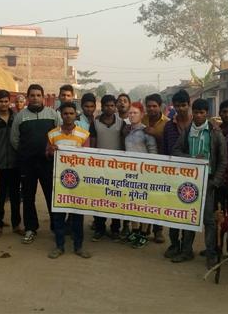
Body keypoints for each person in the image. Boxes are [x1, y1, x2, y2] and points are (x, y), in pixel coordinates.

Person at [171, 99, 227, 264]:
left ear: (207, 113)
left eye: (202, 112)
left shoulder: (215, 132)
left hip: (209, 181)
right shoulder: (188, 130)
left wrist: (215, 182)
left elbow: (223, 160)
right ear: (192, 112)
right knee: (189, 217)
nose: (198, 115)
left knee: (209, 220)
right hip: (190, 181)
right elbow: (176, 150)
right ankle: (187, 250)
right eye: (195, 112)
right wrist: (192, 158)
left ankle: (211, 254)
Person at [10, 84, 59, 244]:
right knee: (29, 197)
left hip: (48, 163)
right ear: (28, 97)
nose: (35, 98)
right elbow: (14, 139)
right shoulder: (20, 116)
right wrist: (26, 152)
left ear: (43, 97)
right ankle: (31, 228)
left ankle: (56, 226)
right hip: (27, 164)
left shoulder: (53, 114)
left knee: (51, 196)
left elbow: (59, 137)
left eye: (38, 95)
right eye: (32, 95)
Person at [46, 102, 92, 259]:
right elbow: (47, 153)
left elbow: (88, 158)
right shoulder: (52, 134)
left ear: (75, 114)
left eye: (71, 113)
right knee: (58, 215)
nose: (68, 116)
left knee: (78, 216)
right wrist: (51, 151)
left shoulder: (83, 134)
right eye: (65, 113)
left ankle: (78, 247)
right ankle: (59, 247)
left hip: (78, 182)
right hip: (59, 181)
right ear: (61, 114)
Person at [0, 90, 23, 238]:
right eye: (1, 101)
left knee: (15, 195)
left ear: (10, 102)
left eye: (6, 101)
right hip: (0, 164)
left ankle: (16, 225)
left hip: (15, 163)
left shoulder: (16, 117)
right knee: (1, 196)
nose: (3, 104)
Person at [122, 102, 157, 248]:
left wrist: (149, 170)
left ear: (142, 115)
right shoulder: (127, 131)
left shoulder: (147, 131)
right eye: (130, 113)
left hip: (145, 173)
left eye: (135, 113)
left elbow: (153, 151)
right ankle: (135, 230)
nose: (132, 115)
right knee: (132, 203)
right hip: (130, 173)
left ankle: (143, 233)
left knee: (144, 204)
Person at [162, 90, 192, 256]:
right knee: (173, 212)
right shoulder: (169, 125)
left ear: (189, 105)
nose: (180, 108)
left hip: (193, 176)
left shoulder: (198, 124)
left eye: (183, 105)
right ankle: (174, 244)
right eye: (178, 105)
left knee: (188, 213)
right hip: (173, 175)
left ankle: (187, 248)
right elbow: (165, 150)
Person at [92, 94, 123, 242]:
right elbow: (92, 143)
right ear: (102, 107)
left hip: (117, 167)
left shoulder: (122, 123)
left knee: (115, 198)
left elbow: (124, 144)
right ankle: (99, 228)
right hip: (99, 166)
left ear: (115, 107)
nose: (109, 108)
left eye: (112, 105)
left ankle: (115, 229)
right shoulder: (95, 123)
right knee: (99, 198)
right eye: (106, 105)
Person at [142, 93, 168, 244]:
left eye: (154, 106)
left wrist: (156, 134)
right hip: (142, 166)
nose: (151, 109)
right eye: (149, 106)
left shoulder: (168, 123)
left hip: (160, 166)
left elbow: (170, 143)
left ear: (160, 107)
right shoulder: (141, 119)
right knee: (144, 198)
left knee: (158, 199)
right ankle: (143, 230)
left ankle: (158, 231)